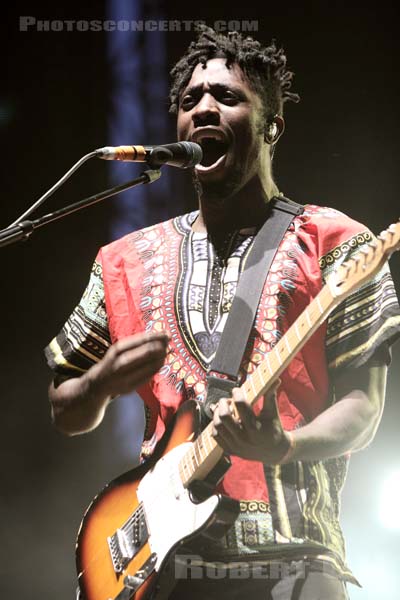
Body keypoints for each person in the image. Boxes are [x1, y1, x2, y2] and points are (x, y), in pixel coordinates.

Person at [45, 26, 400, 600]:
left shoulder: (339, 244)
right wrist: (100, 382)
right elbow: (65, 409)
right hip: (161, 564)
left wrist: (283, 446)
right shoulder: (123, 261)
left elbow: (364, 406)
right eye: (190, 101)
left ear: (272, 127)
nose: (205, 107)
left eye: (228, 97)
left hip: (295, 562)